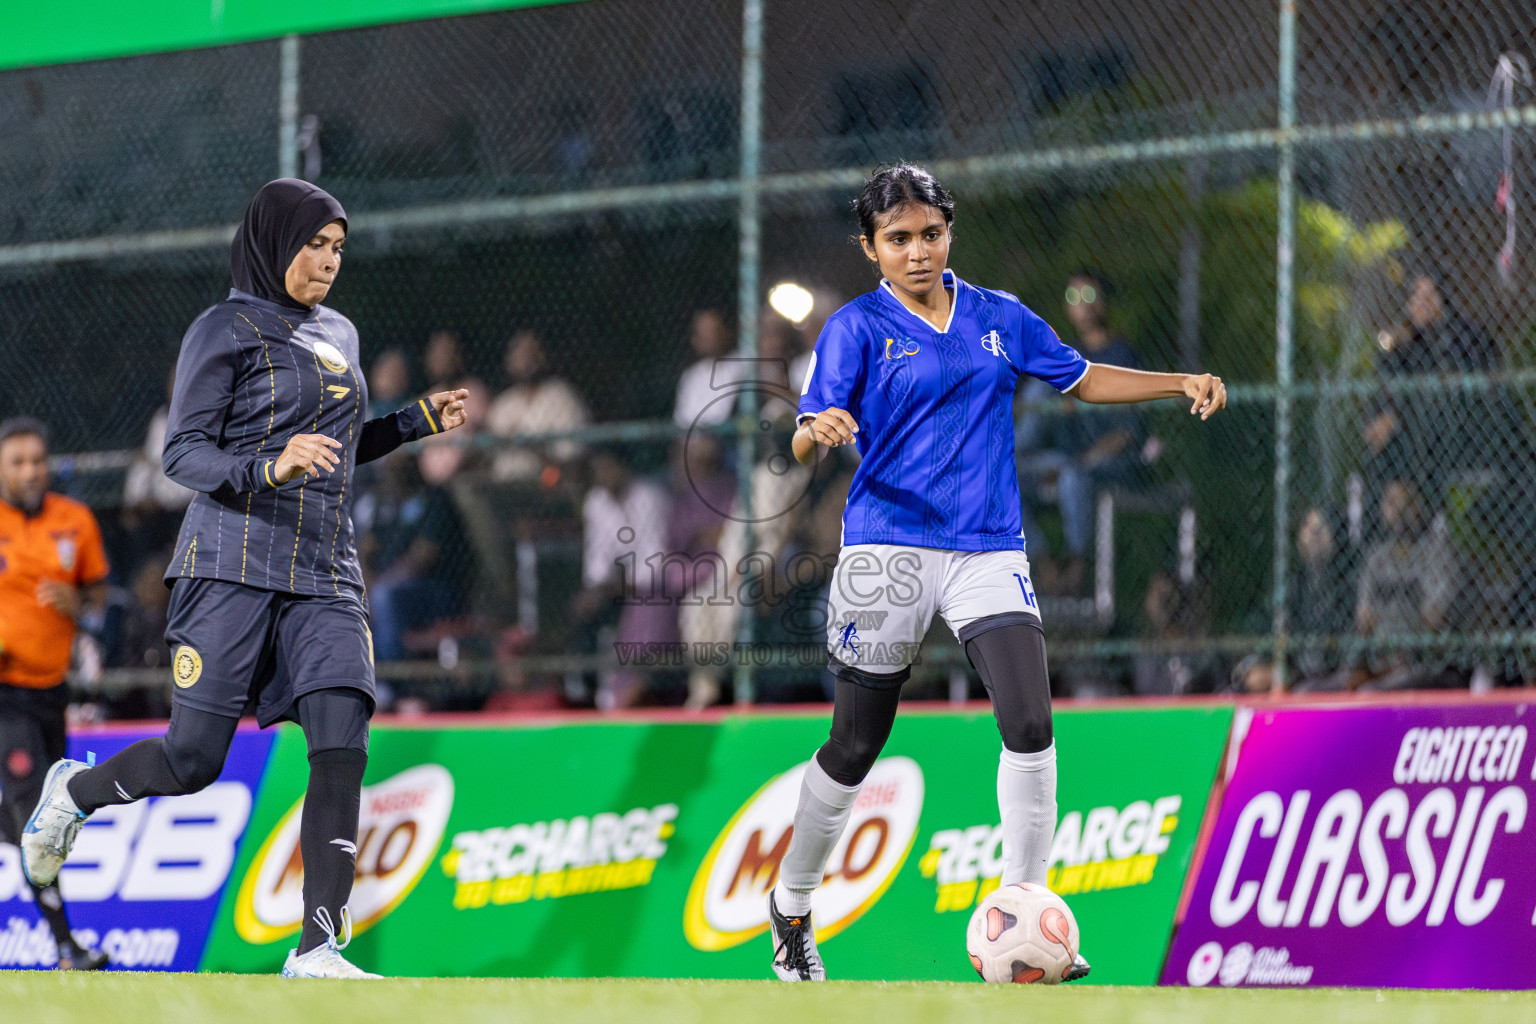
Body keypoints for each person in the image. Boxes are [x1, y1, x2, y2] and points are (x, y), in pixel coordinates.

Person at [772, 164, 1226, 982]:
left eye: (930, 234)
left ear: (950, 232)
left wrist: (1176, 382)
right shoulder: (855, 328)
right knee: (854, 742)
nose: (917, 251)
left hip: (988, 547)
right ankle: (793, 905)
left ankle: (1030, 909)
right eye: (898, 239)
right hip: (888, 550)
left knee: (1029, 721)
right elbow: (802, 436)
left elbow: (1081, 379)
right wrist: (821, 429)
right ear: (870, 248)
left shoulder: (997, 316)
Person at [19, 179, 469, 980]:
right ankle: (77, 791)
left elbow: (336, 445)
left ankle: (318, 947)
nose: (328, 262)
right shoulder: (222, 328)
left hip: (327, 567)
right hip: (233, 564)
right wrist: (269, 464)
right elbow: (182, 453)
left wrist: (410, 423)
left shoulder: (340, 331)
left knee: (342, 739)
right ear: (272, 241)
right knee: (193, 762)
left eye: (338, 248)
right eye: (313, 244)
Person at [0, 418, 112, 971]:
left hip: (51, 691)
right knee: (35, 822)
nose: (29, 470)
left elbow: (99, 595)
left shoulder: (75, 520)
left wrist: (78, 603)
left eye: (36, 460)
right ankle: (66, 947)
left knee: (41, 812)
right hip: (4, 694)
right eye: (17, 461)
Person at [1016, 272, 1144, 592]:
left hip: (1111, 462)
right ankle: (1044, 564)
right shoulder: (1065, 354)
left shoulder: (1120, 355)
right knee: (1001, 475)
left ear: (1103, 303)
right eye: (1074, 299)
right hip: (1065, 459)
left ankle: (1076, 566)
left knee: (1072, 476)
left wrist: (1081, 461)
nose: (1082, 307)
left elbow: (1127, 434)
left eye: (1089, 297)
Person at [485, 329, 589, 482]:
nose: (527, 359)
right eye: (520, 353)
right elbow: (490, 455)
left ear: (544, 357)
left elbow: (571, 458)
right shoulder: (502, 404)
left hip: (548, 480)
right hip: (506, 485)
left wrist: (529, 446)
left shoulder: (561, 396)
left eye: (532, 352)